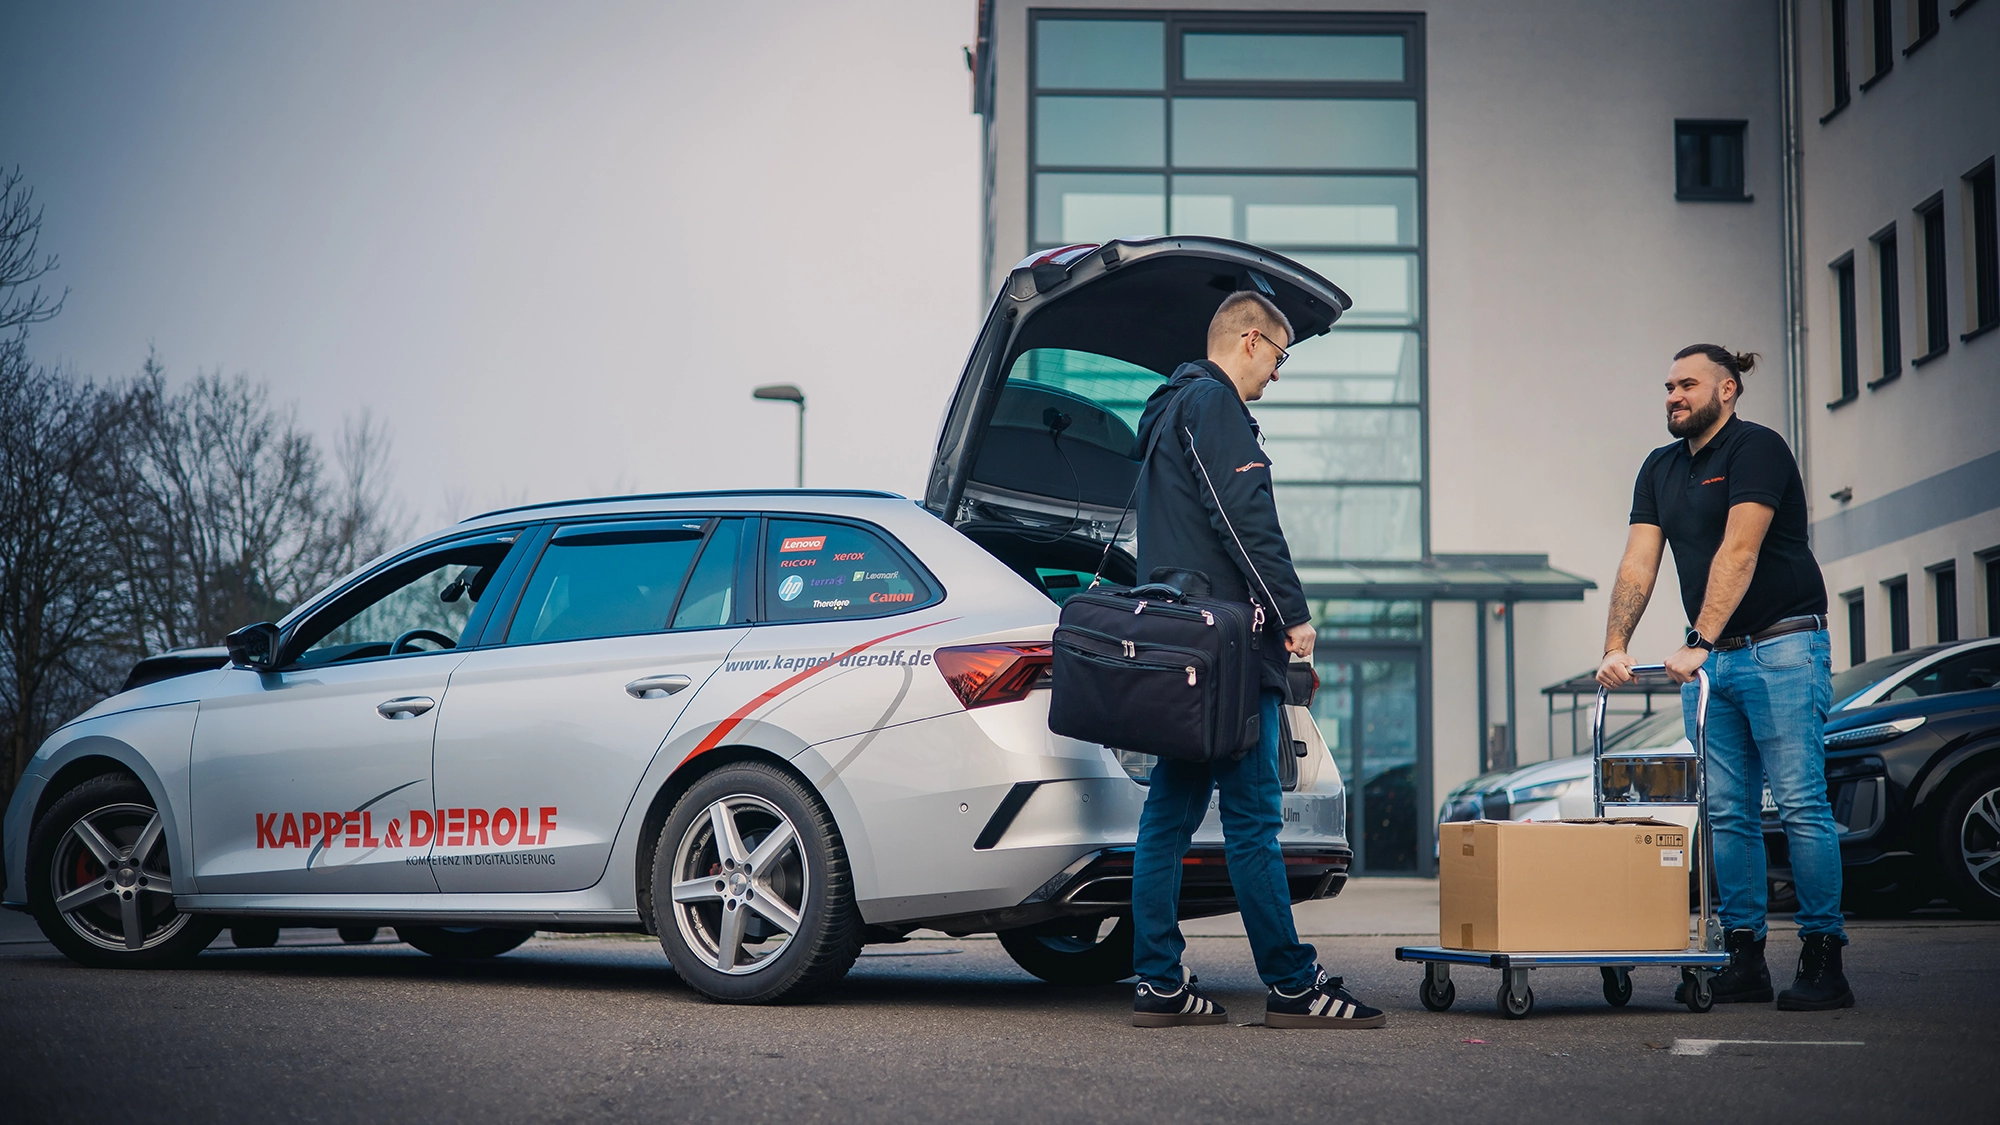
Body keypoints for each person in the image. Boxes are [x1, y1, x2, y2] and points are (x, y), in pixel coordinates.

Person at [1124, 290, 1385, 1029]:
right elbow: (1244, 516)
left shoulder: (1165, 411)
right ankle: (1294, 986)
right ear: (1248, 340)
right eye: (1279, 355)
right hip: (1230, 645)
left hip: (1186, 642)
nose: (1278, 374)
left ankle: (1158, 984)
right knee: (1251, 819)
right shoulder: (1212, 405)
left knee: (1168, 814)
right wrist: (1294, 615)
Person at [1597, 344, 1854, 1011]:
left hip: (1783, 647)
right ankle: (1743, 954)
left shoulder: (1756, 450)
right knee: (1726, 812)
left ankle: (1824, 957)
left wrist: (1697, 640)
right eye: (1668, 386)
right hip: (1716, 664)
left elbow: (1740, 551)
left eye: (1687, 384)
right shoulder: (1659, 468)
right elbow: (1638, 563)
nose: (1673, 395)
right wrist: (1615, 646)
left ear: (1728, 390)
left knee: (1800, 804)